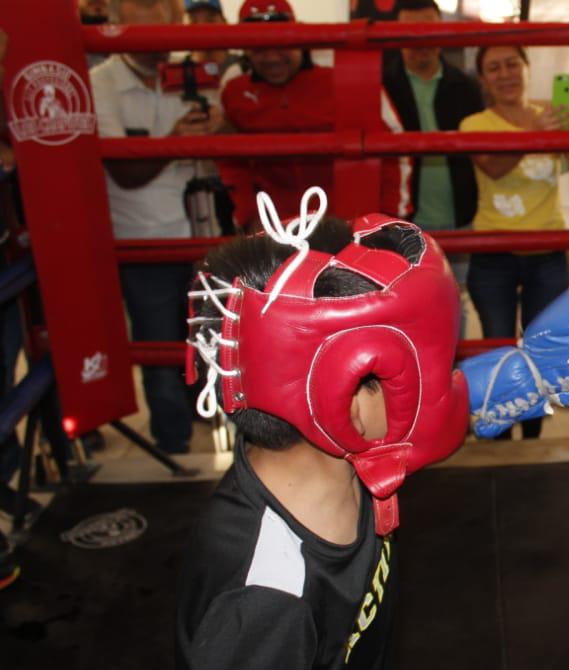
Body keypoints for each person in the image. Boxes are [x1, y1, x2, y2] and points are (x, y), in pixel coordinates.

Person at [174, 192, 569, 670]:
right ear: (342, 394)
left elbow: (426, 414)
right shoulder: (265, 603)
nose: (431, 385)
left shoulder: (324, 447)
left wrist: (538, 373)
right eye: (407, 370)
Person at [91, 0, 225, 454]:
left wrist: (220, 126)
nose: (161, 27)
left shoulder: (192, 73)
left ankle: (225, 432)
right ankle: (173, 448)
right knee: (159, 348)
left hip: (204, 229)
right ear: (116, 22)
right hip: (143, 239)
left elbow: (231, 145)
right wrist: (177, 139)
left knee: (216, 339)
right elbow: (124, 170)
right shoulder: (101, 82)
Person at [459, 45, 569, 439]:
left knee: (541, 351)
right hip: (494, 253)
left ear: (526, 68)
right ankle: (500, 438)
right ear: (483, 79)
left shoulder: (549, 118)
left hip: (547, 253)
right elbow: (494, 167)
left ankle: (532, 439)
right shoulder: (474, 123)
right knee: (499, 350)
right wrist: (536, 133)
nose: (505, 74)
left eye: (512, 64)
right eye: (494, 67)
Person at [218, 0, 410, 230]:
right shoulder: (235, 89)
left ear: (297, 36)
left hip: (344, 224)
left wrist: (388, 221)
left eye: (280, 45)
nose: (271, 57)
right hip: (276, 228)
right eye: (258, 48)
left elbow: (392, 149)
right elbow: (232, 163)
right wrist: (249, 217)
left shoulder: (342, 75)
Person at [381, 0, 484, 303]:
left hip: (461, 216)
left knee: (456, 301)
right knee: (407, 302)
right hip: (403, 219)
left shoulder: (466, 86)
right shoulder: (382, 85)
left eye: (428, 28)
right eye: (411, 30)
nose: (421, 39)